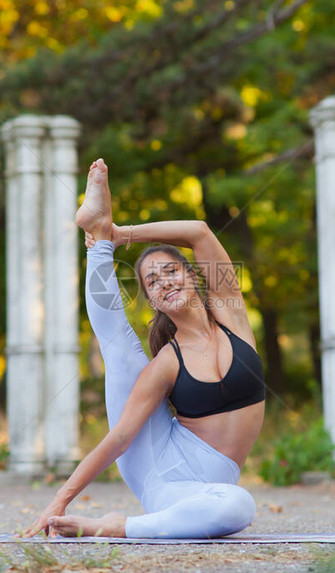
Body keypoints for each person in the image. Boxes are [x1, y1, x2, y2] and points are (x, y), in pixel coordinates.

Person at [24, 158, 266, 539]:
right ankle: (97, 246)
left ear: (193, 275)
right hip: (160, 473)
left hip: (208, 488)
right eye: (152, 281)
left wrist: (123, 233)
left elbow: (199, 232)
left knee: (234, 502)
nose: (164, 282)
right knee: (123, 354)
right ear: (151, 299)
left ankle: (104, 231)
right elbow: (120, 437)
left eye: (171, 271)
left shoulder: (232, 315)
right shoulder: (166, 363)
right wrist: (60, 499)